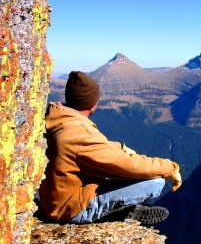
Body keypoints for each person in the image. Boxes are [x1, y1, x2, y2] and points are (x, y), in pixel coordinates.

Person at [38, 71, 182, 225]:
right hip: (69, 210)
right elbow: (128, 165)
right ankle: (118, 212)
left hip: (56, 198)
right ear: (93, 103)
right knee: (155, 182)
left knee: (115, 173)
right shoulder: (80, 134)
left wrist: (121, 148)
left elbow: (90, 150)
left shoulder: (59, 121)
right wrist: (170, 167)